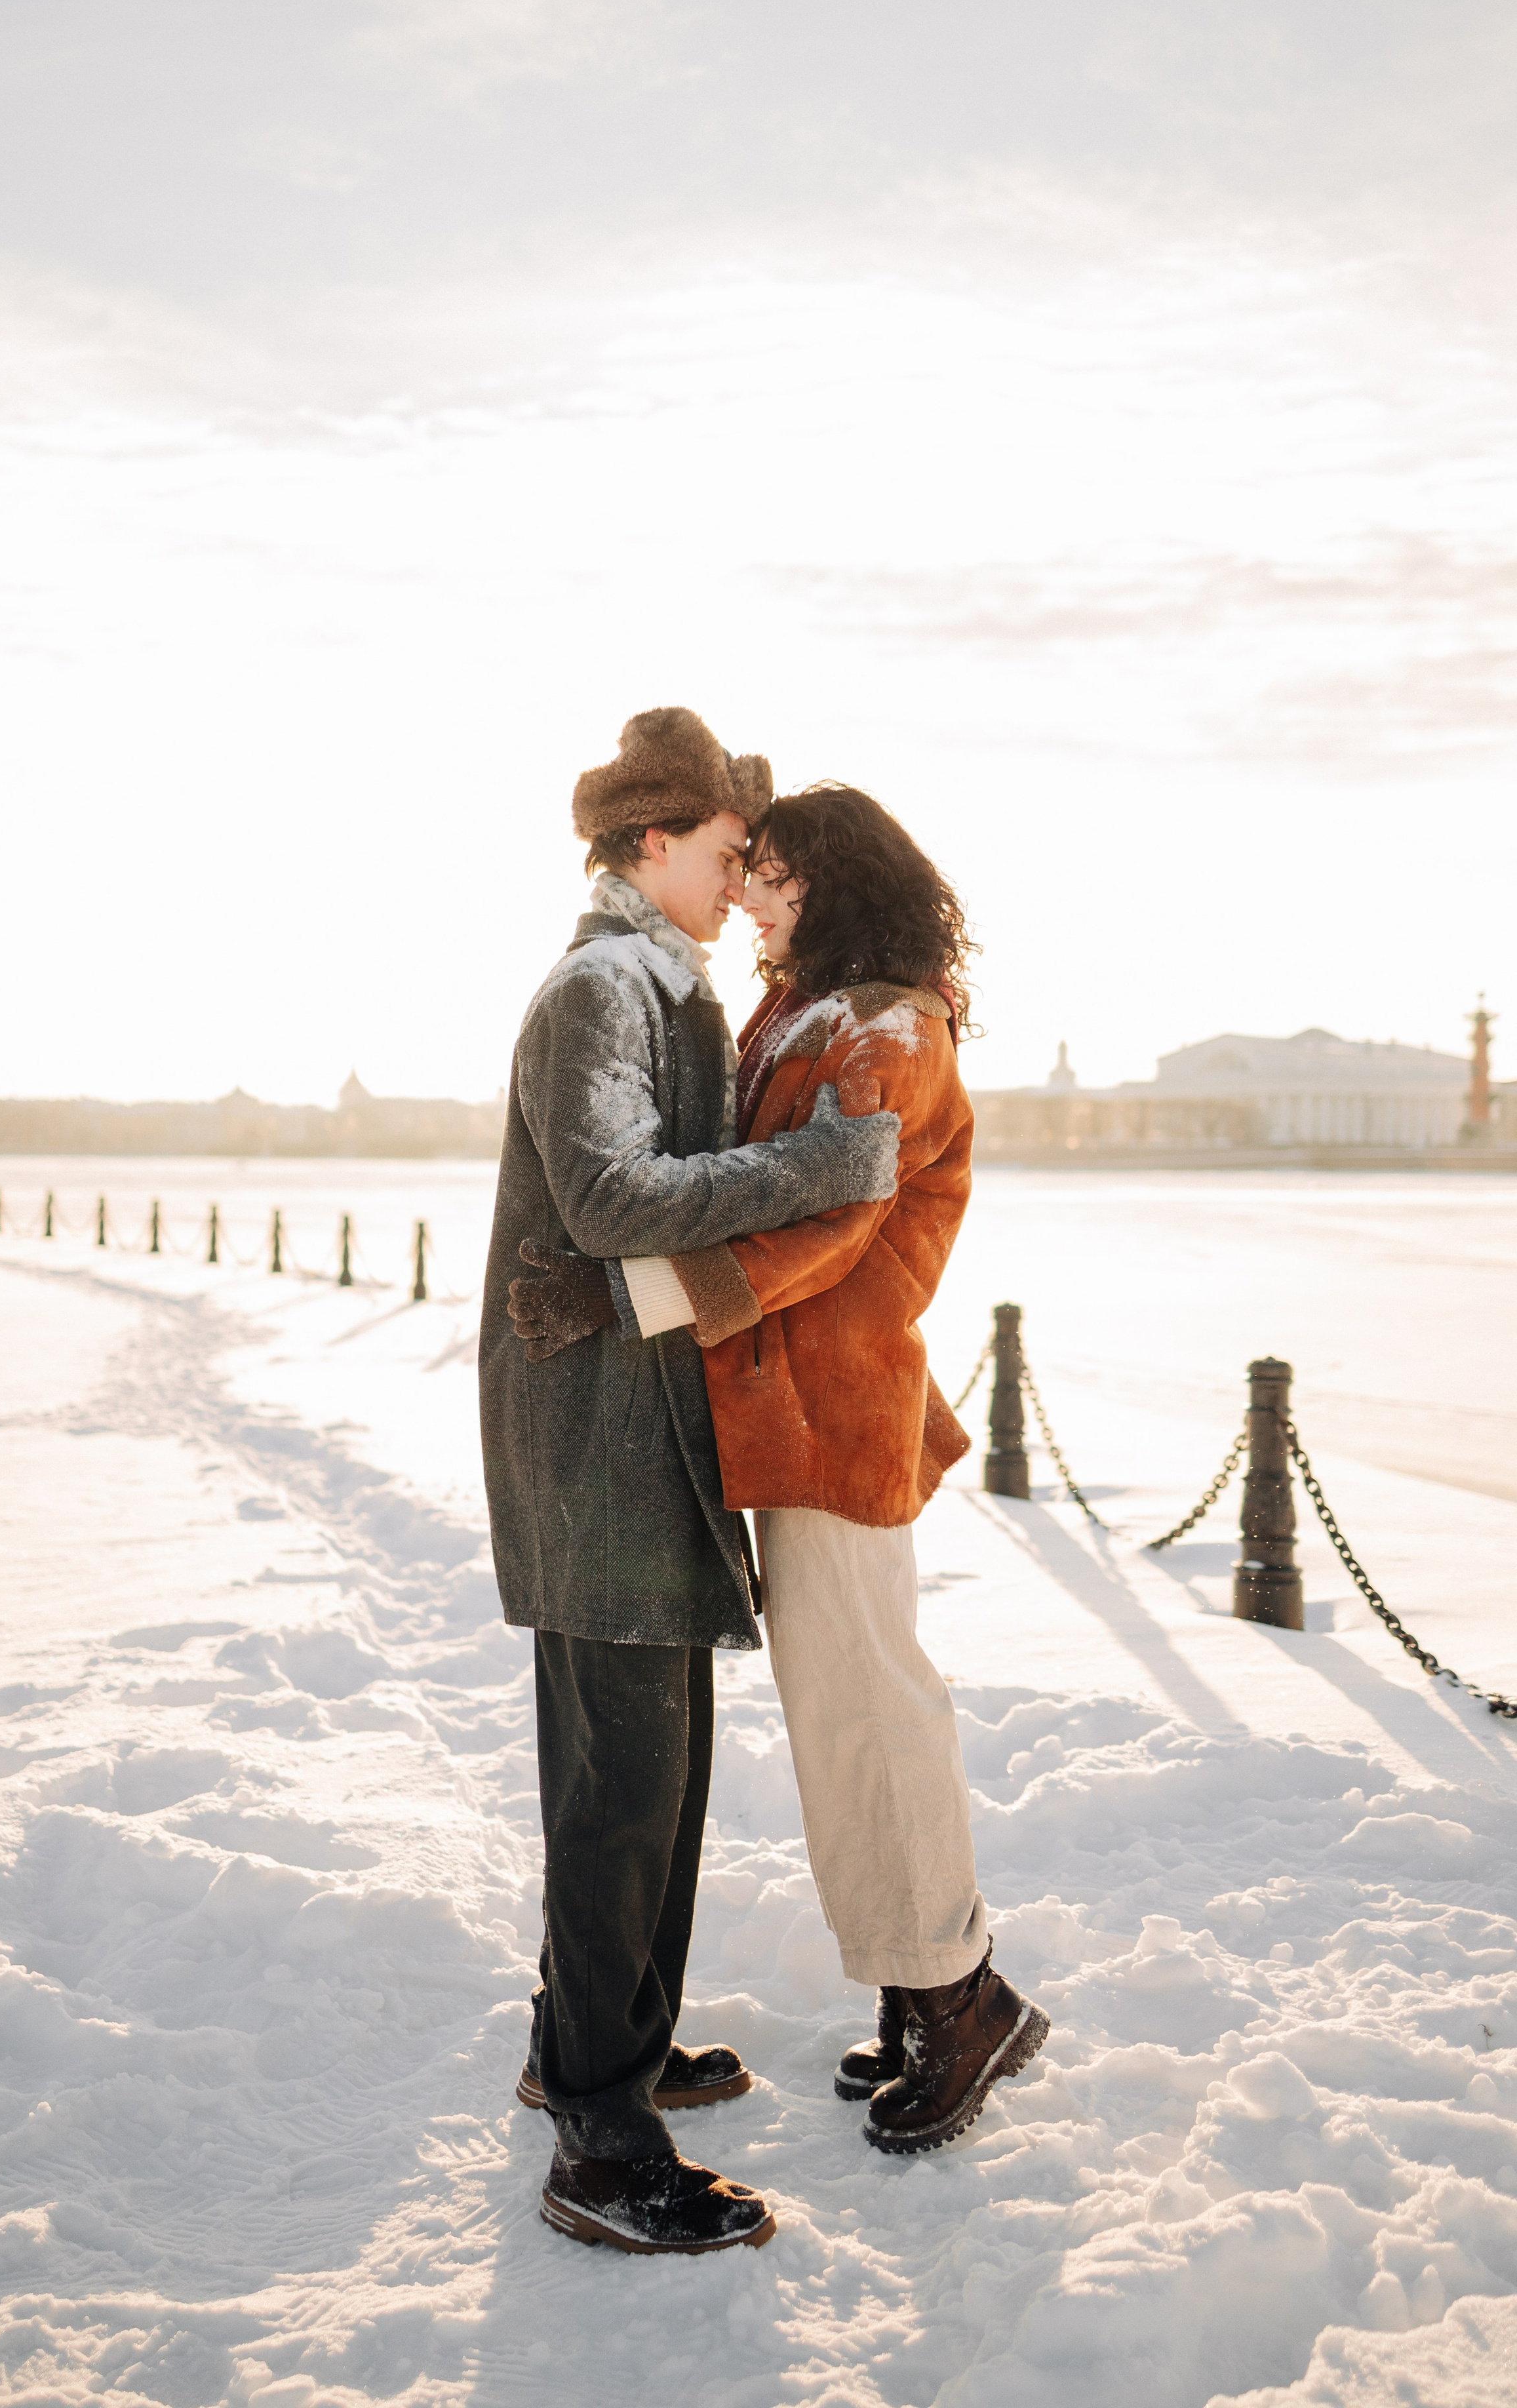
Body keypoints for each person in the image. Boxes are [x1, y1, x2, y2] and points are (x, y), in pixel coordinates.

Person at [512, 783, 1048, 2157]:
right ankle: (930, 1988)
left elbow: (829, 1220)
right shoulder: (814, 1009)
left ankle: (954, 1998)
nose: (749, 895)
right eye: (744, 871)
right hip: (786, 1415)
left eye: (776, 876)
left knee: (870, 1712)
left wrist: (629, 1298)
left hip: (838, 1420)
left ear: (839, 880)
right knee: (842, 1717)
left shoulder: (883, 1027)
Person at [481, 709, 907, 2256]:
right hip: (596, 1442)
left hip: (642, 1428)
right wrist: (827, 1162)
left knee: (652, 1775)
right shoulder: (604, 987)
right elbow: (603, 1197)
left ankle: (598, 2043)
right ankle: (600, 2139)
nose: (742, 875)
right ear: (649, 843)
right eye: (727, 849)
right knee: (619, 1789)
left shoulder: (662, 981)